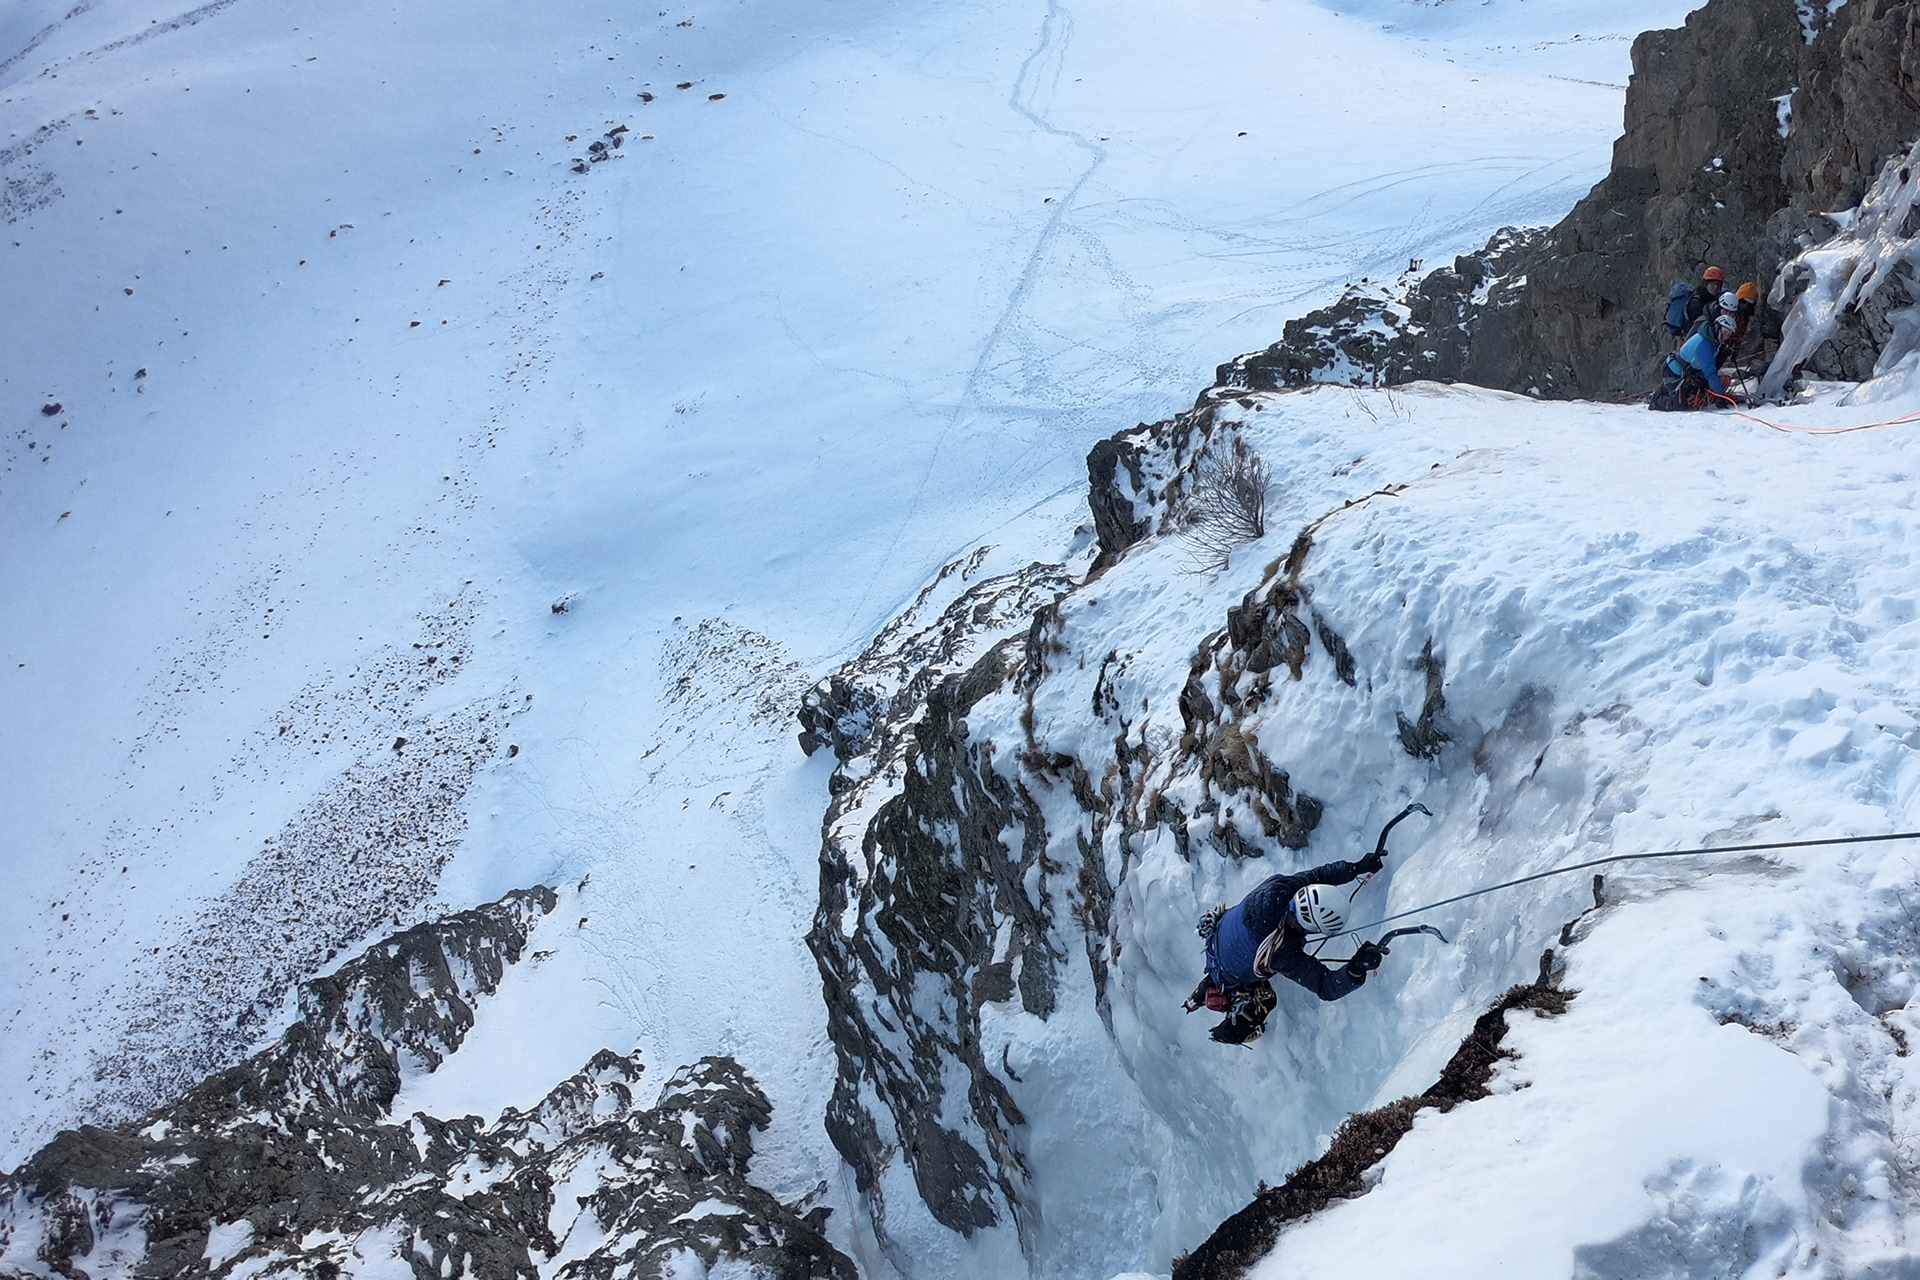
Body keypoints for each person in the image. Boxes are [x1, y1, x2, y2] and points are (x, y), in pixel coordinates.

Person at [1185, 804, 1428, 1044]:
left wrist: (1355, 868)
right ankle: (1227, 1032)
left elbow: (1317, 876)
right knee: (1267, 999)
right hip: (1229, 972)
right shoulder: (1281, 951)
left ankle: (1203, 990)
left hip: (1218, 937)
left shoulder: (1281, 889)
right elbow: (1325, 986)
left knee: (1235, 961)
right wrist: (1354, 970)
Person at [1650, 313, 1738, 411]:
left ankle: (1663, 390)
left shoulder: (1711, 340)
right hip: (1674, 372)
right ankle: (1655, 400)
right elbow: (1710, 372)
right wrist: (1721, 395)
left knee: (1691, 393)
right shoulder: (1705, 345)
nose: (1725, 337)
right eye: (1725, 332)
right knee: (1680, 405)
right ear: (1717, 327)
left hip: (1685, 372)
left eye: (1728, 335)